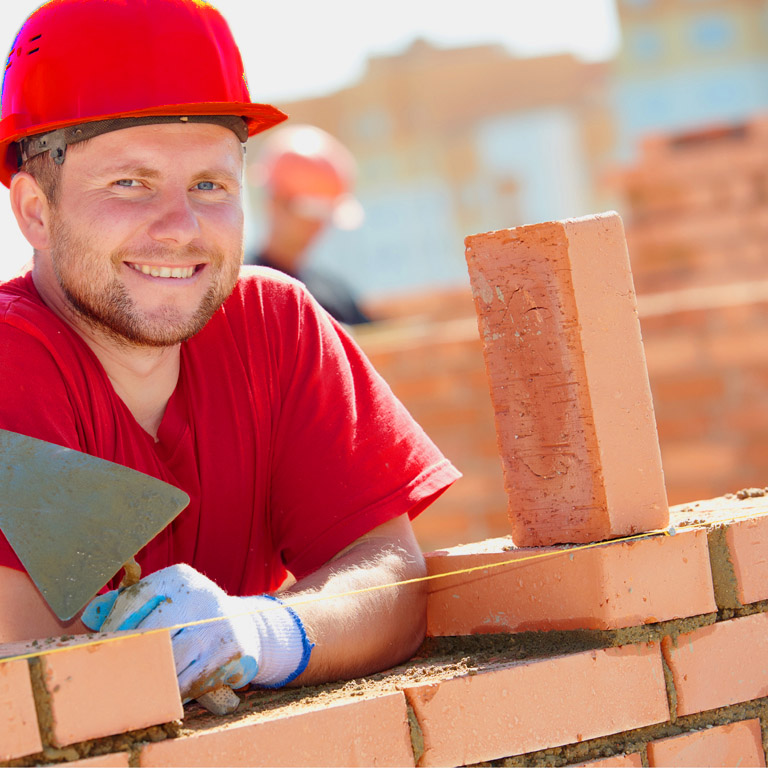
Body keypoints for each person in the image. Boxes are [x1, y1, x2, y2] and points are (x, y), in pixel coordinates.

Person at [0, 0, 460, 705]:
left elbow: (392, 577)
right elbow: (44, 688)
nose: (181, 229)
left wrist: (264, 632)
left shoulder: (275, 325)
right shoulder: (12, 358)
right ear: (36, 211)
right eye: (131, 183)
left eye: (210, 185)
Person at [245, 124, 373, 326]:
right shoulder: (241, 292)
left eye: (324, 214)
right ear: (275, 202)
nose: (318, 226)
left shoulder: (336, 293)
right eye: (311, 212)